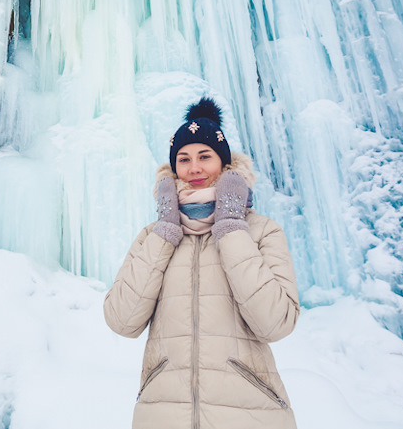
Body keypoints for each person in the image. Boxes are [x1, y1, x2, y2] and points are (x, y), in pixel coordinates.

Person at [104, 97, 299, 429]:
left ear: (225, 165)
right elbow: (122, 320)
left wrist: (231, 227)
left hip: (250, 416)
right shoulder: (153, 236)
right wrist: (166, 231)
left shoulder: (261, 231)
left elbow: (275, 323)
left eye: (205, 156)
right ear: (173, 168)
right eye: (184, 159)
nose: (194, 168)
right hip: (163, 416)